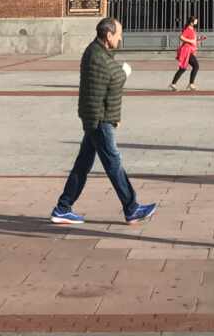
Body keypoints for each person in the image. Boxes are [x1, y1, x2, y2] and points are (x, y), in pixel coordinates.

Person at [50, 17, 158, 226]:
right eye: (118, 34)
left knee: (82, 165)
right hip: (98, 119)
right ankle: (132, 208)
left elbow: (108, 78)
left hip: (95, 116)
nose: (120, 38)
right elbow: (114, 76)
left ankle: (63, 208)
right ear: (108, 35)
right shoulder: (96, 55)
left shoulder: (97, 52)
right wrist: (124, 72)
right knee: (113, 163)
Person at [170, 14, 200, 90]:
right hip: (186, 50)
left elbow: (192, 40)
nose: (197, 23)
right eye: (196, 21)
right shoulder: (188, 29)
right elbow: (181, 37)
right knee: (196, 66)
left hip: (189, 50)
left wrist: (199, 39)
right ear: (191, 22)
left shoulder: (192, 29)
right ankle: (191, 84)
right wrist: (191, 41)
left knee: (183, 68)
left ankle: (173, 84)